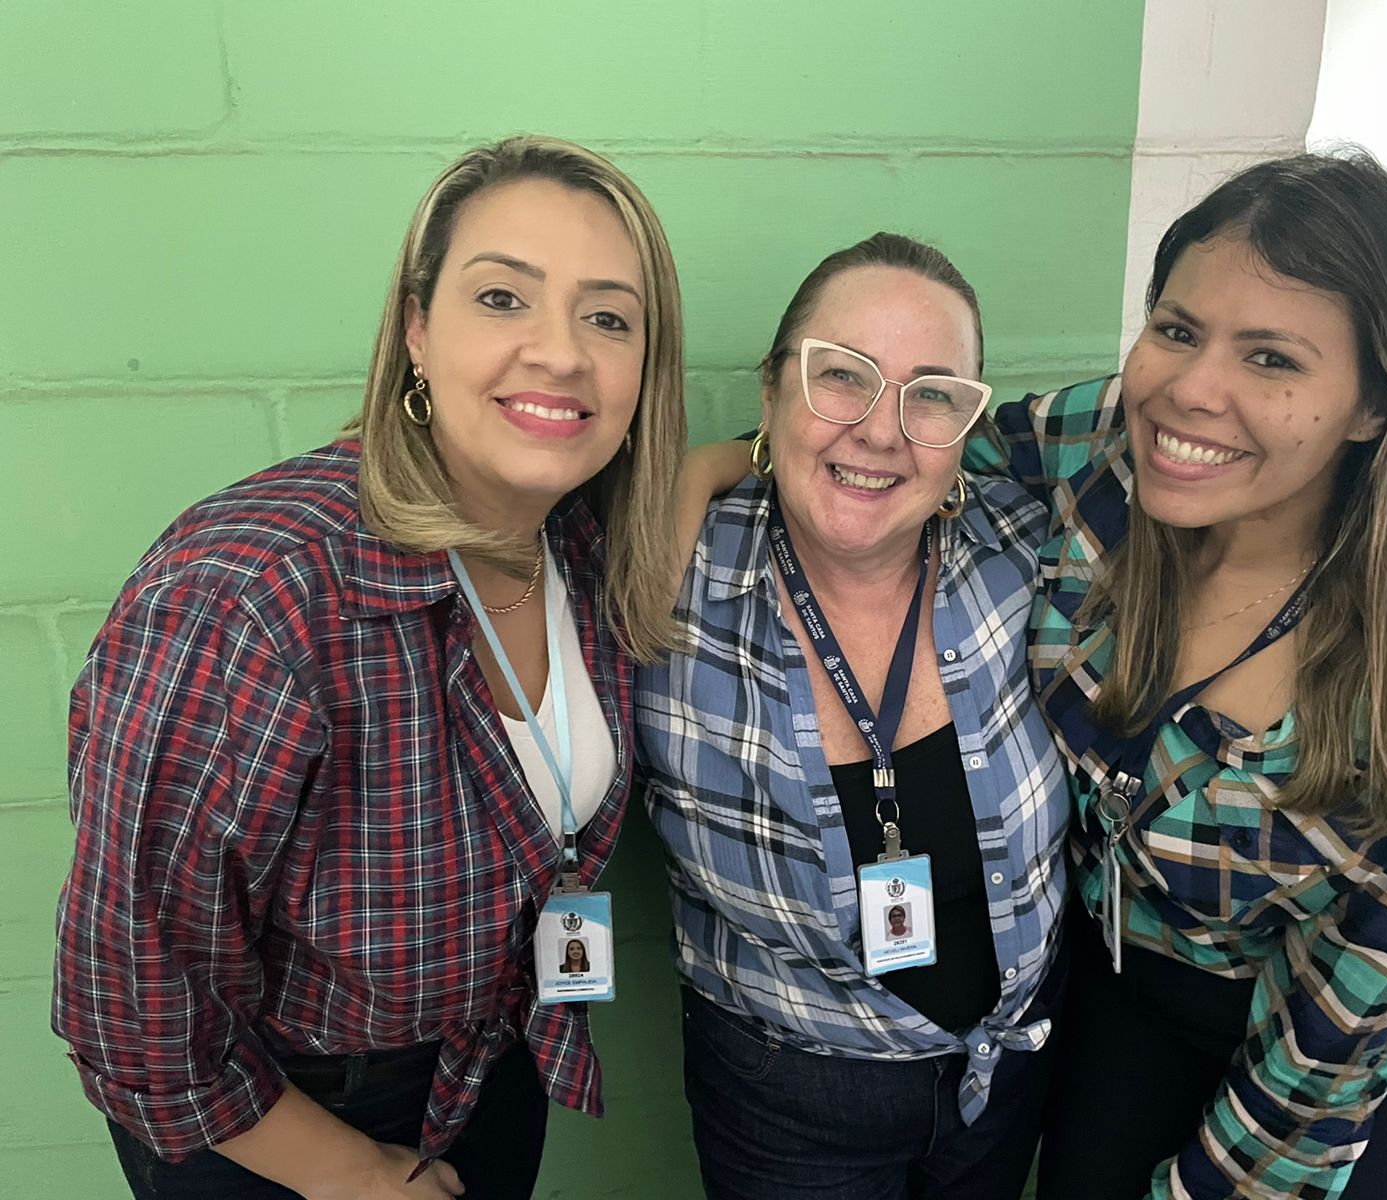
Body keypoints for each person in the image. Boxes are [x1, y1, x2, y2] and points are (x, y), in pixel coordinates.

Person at [53, 135, 686, 1200]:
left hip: (487, 1074)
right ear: (416, 330)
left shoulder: (578, 547)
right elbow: (131, 989)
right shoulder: (256, 593)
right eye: (503, 298)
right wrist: (342, 1169)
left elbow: (682, 478)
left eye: (609, 319)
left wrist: (764, 452)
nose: (561, 353)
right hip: (278, 1124)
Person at [965, 151, 1387, 1199]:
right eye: (1177, 331)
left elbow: (1306, 1097)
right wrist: (729, 466)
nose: (1190, 391)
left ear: (1372, 406)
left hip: (1320, 1064)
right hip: (1118, 990)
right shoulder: (1105, 454)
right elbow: (912, 442)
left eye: (1270, 359)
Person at [643, 232, 1072, 1200]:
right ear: (771, 390)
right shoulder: (666, 570)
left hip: (1006, 1072)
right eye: (841, 375)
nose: (881, 431)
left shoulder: (1026, 548)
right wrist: (703, 470)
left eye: (932, 395)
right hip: (787, 1099)